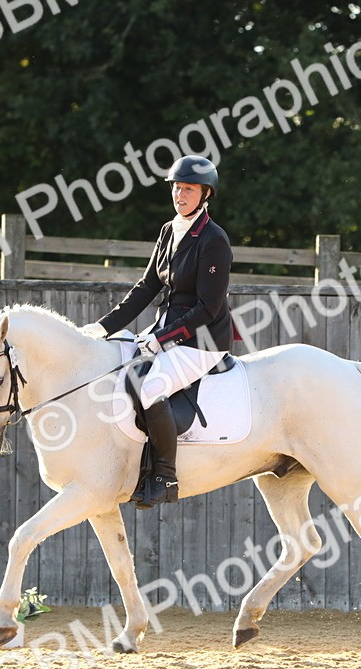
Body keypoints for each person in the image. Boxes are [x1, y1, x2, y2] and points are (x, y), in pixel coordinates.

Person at [78, 155, 233, 508]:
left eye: (189, 189)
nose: (180, 195)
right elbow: (147, 286)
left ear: (206, 193)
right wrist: (103, 326)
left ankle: (165, 476)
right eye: (176, 188)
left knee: (150, 389)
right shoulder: (168, 230)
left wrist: (163, 338)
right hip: (167, 327)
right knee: (121, 375)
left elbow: (208, 308)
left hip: (203, 340)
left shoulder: (214, 239)